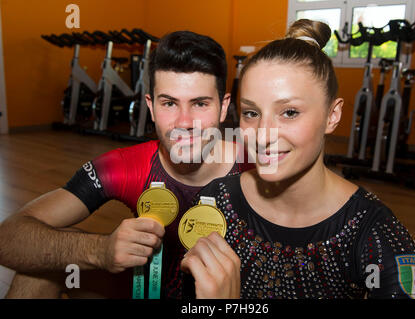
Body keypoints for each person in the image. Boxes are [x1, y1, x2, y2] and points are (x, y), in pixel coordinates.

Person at [180, 19, 415, 299]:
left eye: (289, 112)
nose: (262, 137)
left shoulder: (374, 235)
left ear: (332, 116)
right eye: (251, 113)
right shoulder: (215, 203)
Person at [0, 30, 252, 299]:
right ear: (151, 107)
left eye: (200, 104)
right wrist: (100, 250)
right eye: (169, 103)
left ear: (224, 107)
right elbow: (8, 238)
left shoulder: (257, 168)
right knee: (39, 268)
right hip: (143, 290)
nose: (184, 123)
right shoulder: (125, 165)